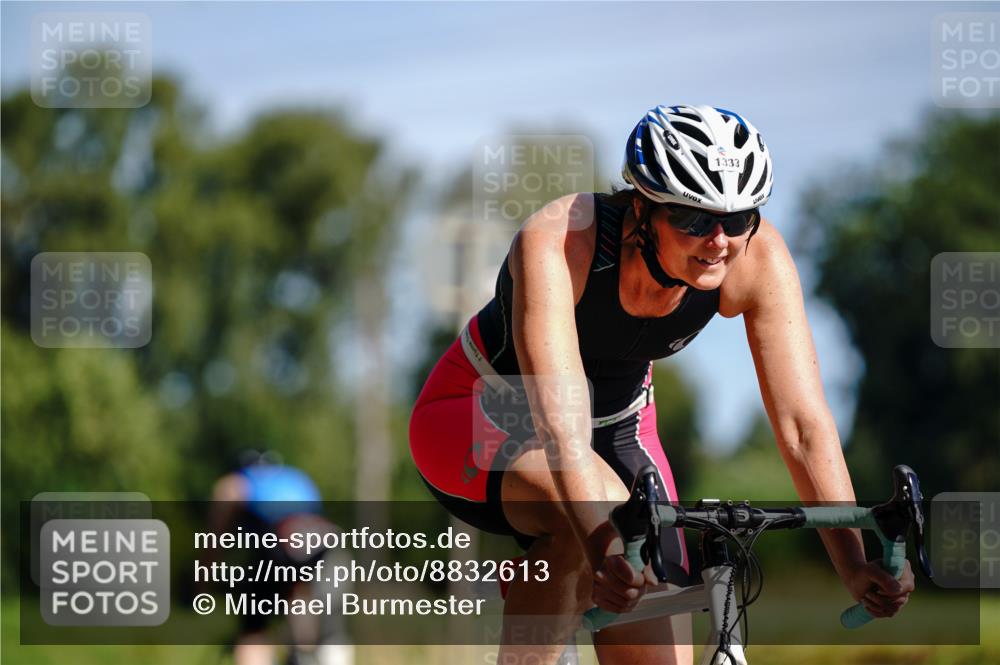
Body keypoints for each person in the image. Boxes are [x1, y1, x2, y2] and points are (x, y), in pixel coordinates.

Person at [409, 105, 915, 665]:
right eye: (694, 220)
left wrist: (853, 561)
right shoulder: (562, 240)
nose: (719, 239)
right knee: (596, 520)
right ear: (642, 207)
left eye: (739, 218)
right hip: (484, 412)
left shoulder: (756, 255)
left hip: (622, 429)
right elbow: (559, 421)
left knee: (653, 628)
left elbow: (803, 426)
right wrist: (604, 551)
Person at [209, 451, 353, 665]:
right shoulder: (297, 477)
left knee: (253, 628)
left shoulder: (237, 481)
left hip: (286, 546)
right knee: (324, 629)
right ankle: (307, 654)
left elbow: (216, 536)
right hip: (331, 546)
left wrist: (204, 579)